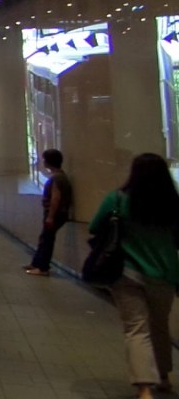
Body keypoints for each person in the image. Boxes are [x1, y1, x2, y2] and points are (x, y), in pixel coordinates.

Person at [89, 153, 179, 399]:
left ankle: (145, 388)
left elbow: (95, 227)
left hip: (126, 273)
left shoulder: (117, 200)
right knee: (159, 326)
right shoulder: (173, 203)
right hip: (165, 274)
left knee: (136, 329)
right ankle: (163, 377)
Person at [24, 149, 73, 276]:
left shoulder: (56, 178)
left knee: (47, 240)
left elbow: (55, 198)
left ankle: (42, 267)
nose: (43, 162)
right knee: (45, 238)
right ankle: (37, 263)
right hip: (59, 213)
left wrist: (50, 216)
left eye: (44, 159)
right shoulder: (61, 176)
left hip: (55, 214)